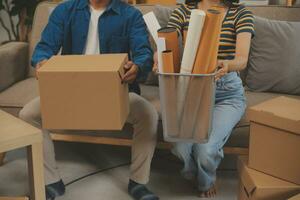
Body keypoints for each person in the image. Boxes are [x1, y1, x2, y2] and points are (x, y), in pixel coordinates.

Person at [19, 0, 160, 200]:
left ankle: (138, 182)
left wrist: (136, 67)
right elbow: (43, 48)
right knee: (28, 115)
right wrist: (42, 62)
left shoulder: (130, 15)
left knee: (148, 114)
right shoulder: (64, 11)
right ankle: (51, 181)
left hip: (117, 90)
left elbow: (143, 53)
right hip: (71, 90)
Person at [154, 0, 254, 198]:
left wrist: (228, 64)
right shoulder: (184, 11)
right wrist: (159, 56)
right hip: (191, 90)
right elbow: (166, 41)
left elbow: (242, 58)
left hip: (226, 91)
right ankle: (193, 173)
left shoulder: (240, 13)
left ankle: (205, 181)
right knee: (180, 146)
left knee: (206, 149)